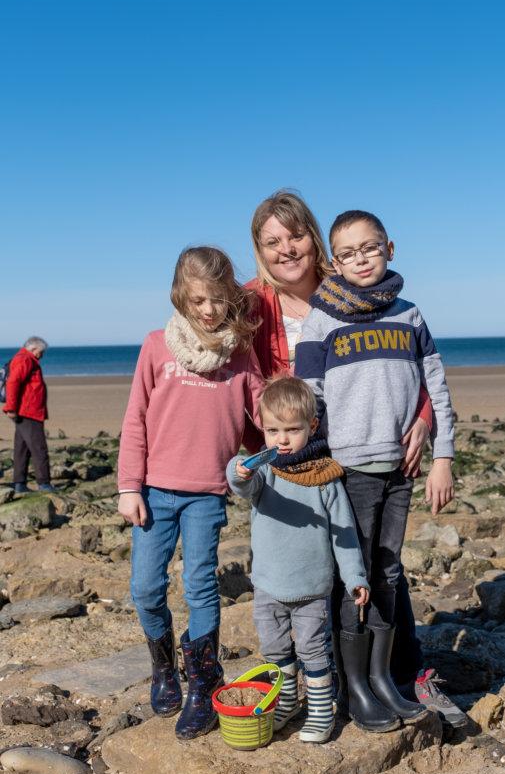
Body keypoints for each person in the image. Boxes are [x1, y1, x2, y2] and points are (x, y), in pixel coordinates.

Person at [247, 191, 465, 726]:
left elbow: (427, 379)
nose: (287, 248)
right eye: (273, 241)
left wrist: (434, 438)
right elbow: (302, 395)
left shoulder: (397, 308)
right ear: (260, 250)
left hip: (393, 459)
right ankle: (344, 685)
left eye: (295, 235)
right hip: (322, 464)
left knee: (383, 570)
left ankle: (387, 676)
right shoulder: (259, 305)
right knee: (342, 572)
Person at [117, 246, 264, 741]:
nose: (208, 310)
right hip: (154, 493)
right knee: (145, 588)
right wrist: (128, 486)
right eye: (199, 299)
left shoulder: (240, 354)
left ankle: (202, 681)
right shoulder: (157, 345)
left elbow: (261, 417)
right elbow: (135, 420)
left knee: (201, 586)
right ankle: (163, 666)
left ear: (231, 300)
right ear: (182, 296)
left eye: (218, 300)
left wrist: (293, 426)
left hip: (207, 494)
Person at [227, 376, 373, 742]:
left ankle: (322, 708)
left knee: (313, 648)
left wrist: (356, 577)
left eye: (292, 430)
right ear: (263, 428)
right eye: (273, 430)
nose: (283, 439)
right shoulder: (264, 471)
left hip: (311, 586)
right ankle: (288, 699)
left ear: (312, 426)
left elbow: (345, 534)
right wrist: (238, 470)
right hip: (267, 585)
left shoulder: (326, 479)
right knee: (274, 647)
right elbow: (242, 485)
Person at [2, 336, 54, 494]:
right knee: (39, 448)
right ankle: (44, 483)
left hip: (27, 411)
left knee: (22, 448)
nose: (42, 355)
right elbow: (13, 383)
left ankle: (20, 483)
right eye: (41, 352)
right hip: (28, 412)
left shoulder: (25, 359)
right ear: (33, 349)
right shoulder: (25, 360)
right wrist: (10, 408)